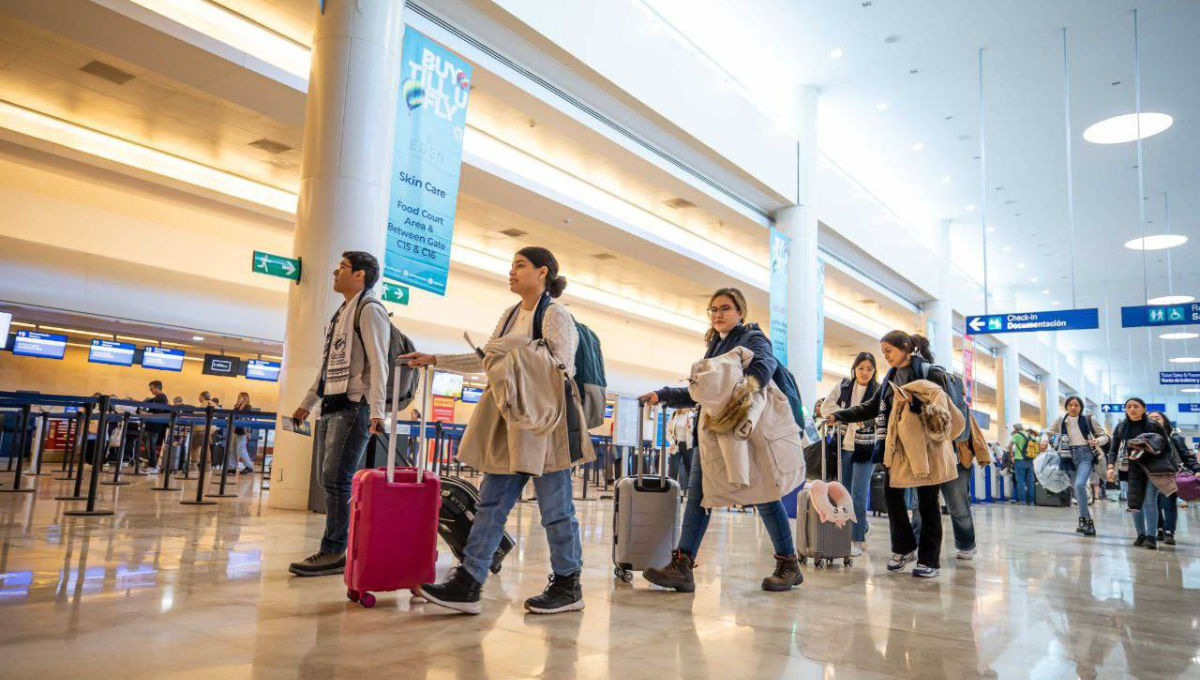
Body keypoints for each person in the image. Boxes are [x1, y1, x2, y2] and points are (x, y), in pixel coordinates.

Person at [404, 247, 594, 615]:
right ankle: (469, 582)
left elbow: (562, 368)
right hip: (510, 422)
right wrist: (435, 359)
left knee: (556, 510)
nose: (512, 272)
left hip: (545, 424)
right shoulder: (509, 315)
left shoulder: (556, 315)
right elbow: (487, 358)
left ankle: (569, 584)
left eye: (520, 266)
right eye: (511, 266)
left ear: (543, 272)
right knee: (490, 503)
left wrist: (515, 354)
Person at [639, 287, 804, 593]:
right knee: (700, 496)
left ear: (740, 312)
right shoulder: (716, 345)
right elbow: (702, 390)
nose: (717, 314)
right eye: (713, 309)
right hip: (715, 434)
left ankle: (789, 565)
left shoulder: (752, 338)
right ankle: (682, 565)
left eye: (725, 308)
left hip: (747, 433)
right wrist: (663, 394)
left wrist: (741, 394)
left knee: (766, 495)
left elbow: (763, 368)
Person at [827, 331, 963, 579]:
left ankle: (929, 559)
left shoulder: (928, 372)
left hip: (926, 449)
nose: (886, 356)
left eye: (889, 350)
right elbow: (871, 407)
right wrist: (840, 415)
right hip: (896, 448)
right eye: (883, 352)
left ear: (905, 348)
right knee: (892, 498)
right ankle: (904, 548)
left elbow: (943, 410)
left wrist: (914, 403)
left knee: (927, 503)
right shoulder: (890, 376)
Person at [288, 251, 390, 577]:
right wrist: (307, 402)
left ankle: (333, 551)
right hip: (333, 403)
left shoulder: (370, 309)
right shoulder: (342, 312)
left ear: (360, 275)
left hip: (354, 405)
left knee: (336, 478)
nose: (335, 272)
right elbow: (328, 364)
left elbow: (379, 363)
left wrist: (377, 410)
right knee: (328, 478)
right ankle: (334, 547)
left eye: (343, 268)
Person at [820, 351, 879, 556]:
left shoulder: (878, 390)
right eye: (861, 368)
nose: (864, 372)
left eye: (869, 369)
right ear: (854, 369)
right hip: (843, 446)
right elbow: (826, 406)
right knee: (843, 494)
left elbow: (881, 416)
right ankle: (860, 528)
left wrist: (866, 419)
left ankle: (856, 539)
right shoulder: (844, 386)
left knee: (859, 495)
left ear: (874, 372)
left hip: (866, 449)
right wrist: (848, 415)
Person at [1106, 398, 1173, 550]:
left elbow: (1167, 448)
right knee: (1135, 502)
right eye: (1128, 407)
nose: (1132, 409)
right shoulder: (1121, 427)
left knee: (1149, 500)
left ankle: (1151, 536)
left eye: (1136, 406)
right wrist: (1110, 466)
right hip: (1131, 469)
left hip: (1152, 468)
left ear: (1143, 409)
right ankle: (1140, 535)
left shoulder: (1153, 425)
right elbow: (1114, 449)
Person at [1047, 397, 1109, 536]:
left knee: (1080, 485)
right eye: (1070, 405)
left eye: (1076, 405)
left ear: (1081, 407)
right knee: (1077, 489)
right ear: (1066, 407)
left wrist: (1097, 440)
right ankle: (1088, 523)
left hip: (1086, 455)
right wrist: (1044, 440)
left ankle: (1082, 519)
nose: (1073, 408)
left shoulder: (1089, 420)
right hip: (1068, 456)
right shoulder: (1061, 421)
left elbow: (1105, 436)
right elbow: (1048, 432)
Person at [1148, 411, 1198, 545]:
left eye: (1157, 418)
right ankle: (1159, 529)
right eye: (1150, 418)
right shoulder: (1144, 437)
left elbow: (1186, 455)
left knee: (1168, 504)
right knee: (1153, 505)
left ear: (1164, 420)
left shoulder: (1173, 436)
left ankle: (1169, 531)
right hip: (1150, 475)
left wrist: (1197, 469)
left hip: (1170, 474)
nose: (1154, 420)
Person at [139, 380, 170, 473]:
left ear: (157, 387)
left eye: (151, 388)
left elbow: (158, 413)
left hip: (154, 427)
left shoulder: (160, 397)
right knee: (150, 447)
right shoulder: (159, 397)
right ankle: (151, 465)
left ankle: (153, 466)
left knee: (151, 447)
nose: (150, 390)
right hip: (154, 427)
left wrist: (144, 413)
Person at [1008, 424, 1036, 506]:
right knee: (1030, 482)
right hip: (1030, 461)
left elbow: (1010, 445)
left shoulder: (1017, 435)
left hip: (1020, 460)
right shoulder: (1029, 435)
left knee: (1020, 481)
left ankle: (1022, 501)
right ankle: (1031, 501)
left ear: (1016, 429)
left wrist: (1012, 456)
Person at [230, 392, 256, 474]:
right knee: (232, 449)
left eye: (240, 397)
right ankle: (232, 467)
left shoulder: (248, 406)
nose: (238, 398)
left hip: (243, 431)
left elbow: (243, 415)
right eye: (238, 397)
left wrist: (239, 406)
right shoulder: (236, 406)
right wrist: (237, 405)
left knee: (241, 449)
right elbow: (234, 414)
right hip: (236, 429)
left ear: (245, 398)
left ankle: (249, 467)